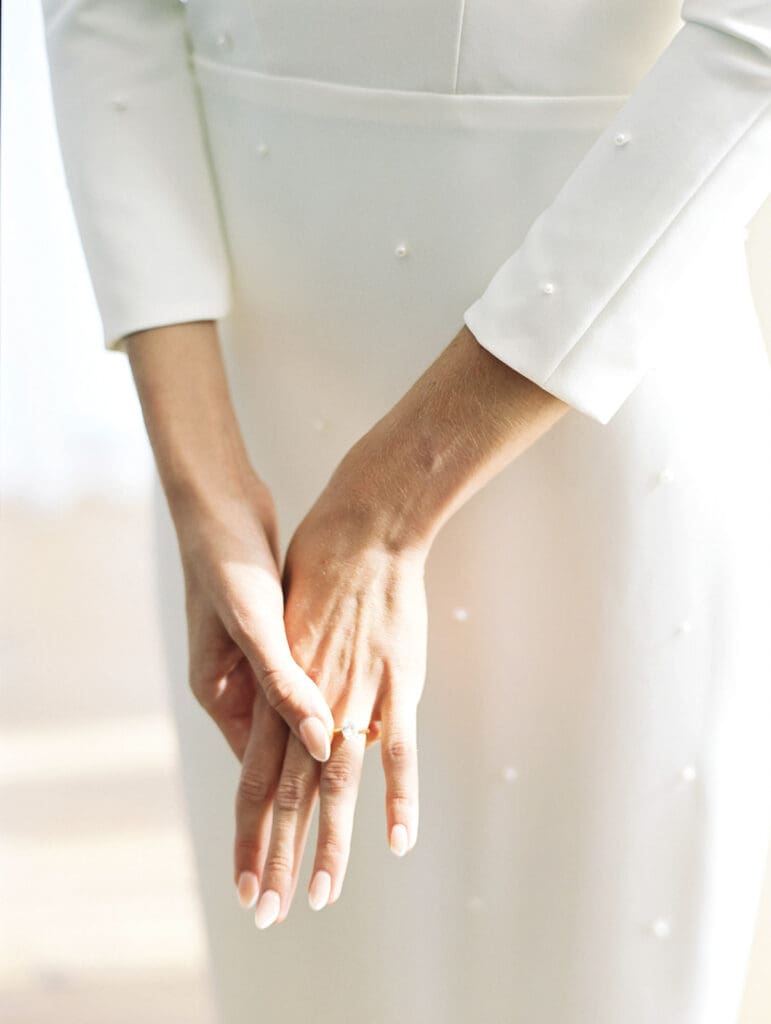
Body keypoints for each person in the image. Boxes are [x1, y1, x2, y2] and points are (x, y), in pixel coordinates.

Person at [41, 1, 771, 1021]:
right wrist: (203, 486)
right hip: (249, 415)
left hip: (599, 387)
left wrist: (390, 509)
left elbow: (754, 42)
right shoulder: (215, 479)